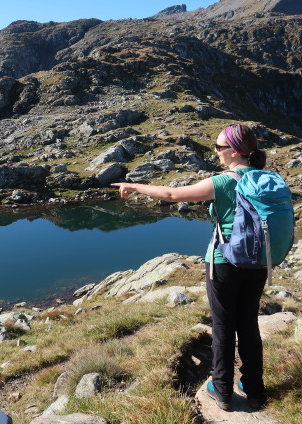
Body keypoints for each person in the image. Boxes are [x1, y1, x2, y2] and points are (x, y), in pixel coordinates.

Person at [111, 123, 268, 412]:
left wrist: (133, 186)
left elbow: (172, 195)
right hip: (259, 262)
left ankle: (221, 390)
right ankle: (255, 390)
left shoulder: (225, 181)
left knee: (223, 326)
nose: (216, 152)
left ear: (234, 151)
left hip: (224, 263)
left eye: (219, 147)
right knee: (248, 323)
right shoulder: (266, 178)